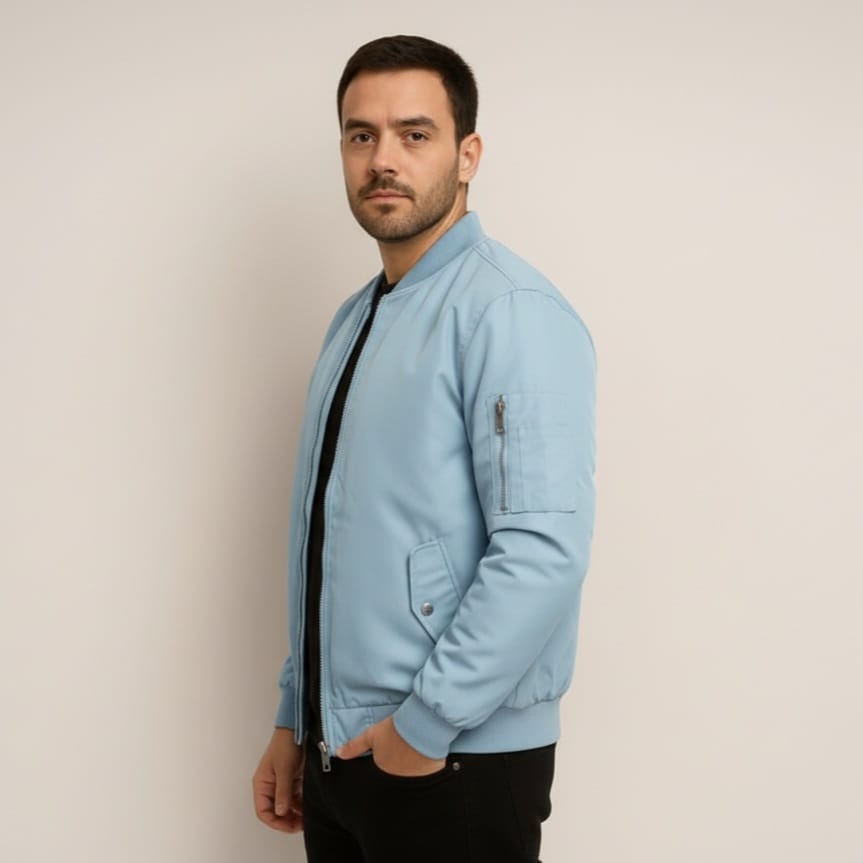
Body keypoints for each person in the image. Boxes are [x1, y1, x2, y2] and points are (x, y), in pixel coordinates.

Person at [252, 34, 597, 863]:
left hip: (452, 759)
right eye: (360, 134)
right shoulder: (355, 319)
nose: (382, 158)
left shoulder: (509, 312)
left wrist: (424, 724)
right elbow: (331, 541)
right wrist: (294, 716)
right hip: (344, 751)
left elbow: (542, 549)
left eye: (414, 133)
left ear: (466, 154)